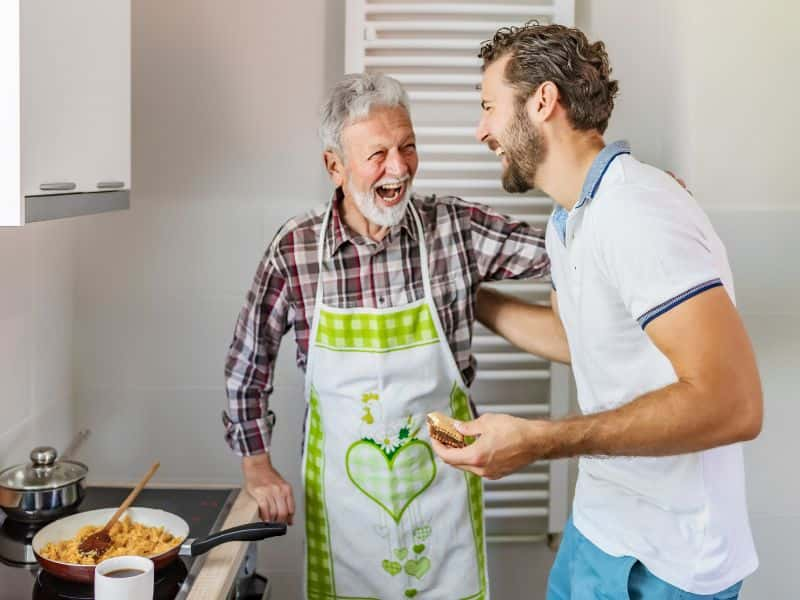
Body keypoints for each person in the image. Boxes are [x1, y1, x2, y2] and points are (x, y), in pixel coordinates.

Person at [431, 23, 762, 600]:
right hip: (601, 531)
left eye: (488, 106)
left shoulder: (638, 210)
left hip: (671, 562)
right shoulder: (569, 219)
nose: (481, 130)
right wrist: (465, 293)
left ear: (542, 101)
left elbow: (733, 403)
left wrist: (540, 441)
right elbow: (575, 336)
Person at [222, 72, 551, 599]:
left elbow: (562, 252)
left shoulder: (452, 228)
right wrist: (256, 464)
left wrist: (624, 202)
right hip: (344, 510)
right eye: (378, 154)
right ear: (335, 166)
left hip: (441, 497)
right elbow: (248, 364)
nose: (399, 168)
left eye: (408, 147)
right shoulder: (296, 251)